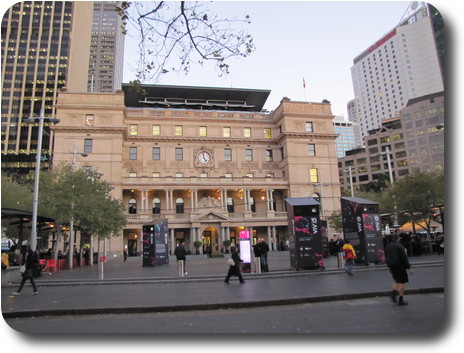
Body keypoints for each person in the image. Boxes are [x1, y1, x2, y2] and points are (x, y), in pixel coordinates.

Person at [385, 234, 412, 306]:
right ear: (397, 239)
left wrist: (389, 266)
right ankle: (401, 298)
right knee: (402, 282)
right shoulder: (400, 246)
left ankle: (394, 292)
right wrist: (408, 267)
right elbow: (404, 257)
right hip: (400, 265)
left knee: (397, 280)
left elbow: (386, 257)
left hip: (391, 266)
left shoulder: (388, 246)